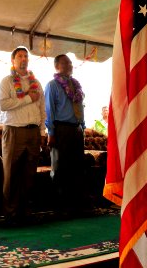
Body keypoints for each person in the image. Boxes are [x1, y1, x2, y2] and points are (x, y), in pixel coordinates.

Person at [0, 46, 46, 224]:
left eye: (26, 56)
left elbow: (42, 108)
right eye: (19, 56)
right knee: (11, 173)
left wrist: (42, 131)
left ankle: (25, 212)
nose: (23, 59)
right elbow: (3, 105)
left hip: (33, 131)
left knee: (29, 174)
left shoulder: (37, 82)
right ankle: (9, 214)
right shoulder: (7, 81)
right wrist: (27, 98)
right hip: (14, 130)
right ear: (13, 60)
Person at [44, 54, 86, 213]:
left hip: (76, 129)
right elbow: (49, 111)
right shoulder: (52, 85)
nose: (69, 65)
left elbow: (81, 108)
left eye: (70, 63)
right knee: (60, 168)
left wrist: (83, 127)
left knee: (76, 167)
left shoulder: (76, 85)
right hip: (61, 130)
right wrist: (51, 132)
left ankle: (75, 204)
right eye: (64, 63)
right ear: (56, 66)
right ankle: (59, 207)